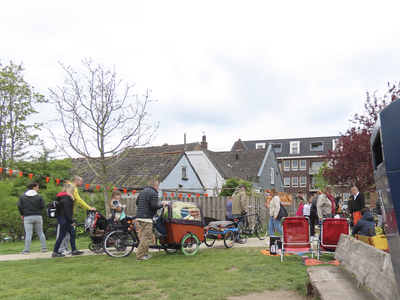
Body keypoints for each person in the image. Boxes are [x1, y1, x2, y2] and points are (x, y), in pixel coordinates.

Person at [58, 176, 96, 255]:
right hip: (65, 215)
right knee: (63, 233)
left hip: (68, 214)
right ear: (76, 181)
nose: (82, 183)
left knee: (70, 233)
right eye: (81, 181)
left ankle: (69, 249)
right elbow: (79, 200)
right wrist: (89, 208)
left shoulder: (72, 188)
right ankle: (60, 250)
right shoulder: (73, 188)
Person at [135, 179, 166, 261]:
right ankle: (140, 256)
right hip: (146, 218)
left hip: (140, 216)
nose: (158, 187)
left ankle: (145, 254)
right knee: (146, 237)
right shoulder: (154, 193)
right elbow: (154, 206)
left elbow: (137, 202)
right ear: (154, 185)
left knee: (146, 236)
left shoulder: (143, 191)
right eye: (158, 185)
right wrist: (161, 204)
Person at [52, 183, 85, 257]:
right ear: (70, 190)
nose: (74, 191)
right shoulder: (66, 199)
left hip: (66, 218)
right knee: (61, 236)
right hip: (65, 219)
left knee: (73, 234)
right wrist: (71, 221)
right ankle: (55, 252)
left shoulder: (65, 198)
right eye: (73, 189)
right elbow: (67, 211)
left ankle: (74, 250)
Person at [17, 182, 47, 254]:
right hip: (38, 216)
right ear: (34, 188)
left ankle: (27, 250)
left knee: (28, 234)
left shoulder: (22, 196)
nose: (38, 189)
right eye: (37, 187)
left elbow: (19, 206)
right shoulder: (39, 196)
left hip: (27, 216)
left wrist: (22, 213)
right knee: (40, 232)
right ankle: (44, 247)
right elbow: (43, 206)